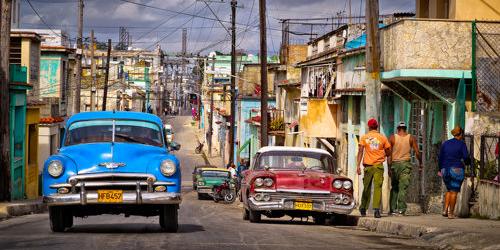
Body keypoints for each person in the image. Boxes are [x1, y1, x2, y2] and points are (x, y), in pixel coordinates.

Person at [357, 118, 392, 218]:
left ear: (369, 127)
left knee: (366, 188)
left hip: (368, 166)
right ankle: (376, 210)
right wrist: (385, 155)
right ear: (377, 126)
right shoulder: (382, 138)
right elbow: (389, 151)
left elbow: (360, 151)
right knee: (378, 188)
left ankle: (363, 208)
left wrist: (358, 166)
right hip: (378, 167)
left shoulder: (364, 137)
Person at [388, 122, 422, 216]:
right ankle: (401, 209)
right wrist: (421, 163)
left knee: (394, 188)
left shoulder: (392, 138)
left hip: (395, 165)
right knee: (403, 188)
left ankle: (392, 209)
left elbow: (389, 155)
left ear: (398, 128)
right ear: (405, 128)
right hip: (405, 165)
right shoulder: (411, 138)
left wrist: (389, 168)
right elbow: (417, 152)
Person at [438, 126, 470, 219]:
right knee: (454, 192)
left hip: (445, 169)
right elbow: (466, 157)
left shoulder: (445, 143)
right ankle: (451, 213)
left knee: (449, 190)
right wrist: (468, 163)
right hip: (456, 169)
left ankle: (445, 210)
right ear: (460, 134)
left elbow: (440, 158)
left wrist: (440, 169)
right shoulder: (461, 144)